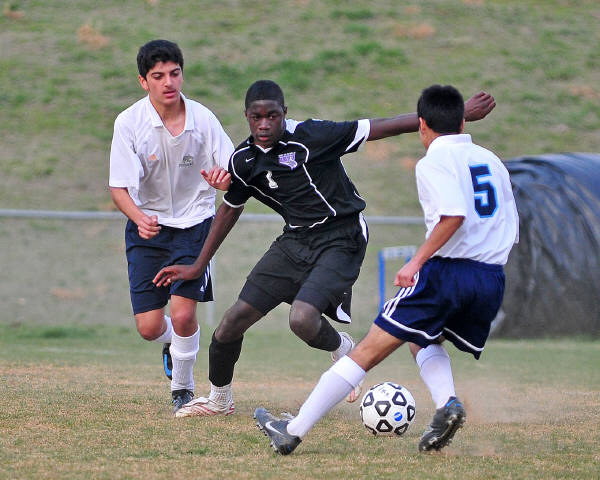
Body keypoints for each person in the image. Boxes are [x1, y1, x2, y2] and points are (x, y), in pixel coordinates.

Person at [153, 80, 496, 418]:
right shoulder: (244, 161)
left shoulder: (312, 136)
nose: (264, 124)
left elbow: (380, 126)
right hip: (295, 241)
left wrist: (455, 115)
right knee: (230, 323)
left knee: (302, 319)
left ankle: (342, 348)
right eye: (256, 117)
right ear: (247, 117)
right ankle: (219, 399)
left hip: (342, 237)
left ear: (284, 113)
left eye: (272, 116)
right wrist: (198, 265)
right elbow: (230, 208)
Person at [254, 84, 519, 455]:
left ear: (422, 124)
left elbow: (453, 216)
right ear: (462, 122)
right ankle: (447, 404)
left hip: (448, 274)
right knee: (421, 338)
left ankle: (291, 431)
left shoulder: (434, 162)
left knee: (365, 352)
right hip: (491, 277)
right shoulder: (491, 160)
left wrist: (417, 261)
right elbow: (510, 226)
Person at [108, 39, 233, 415]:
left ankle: (182, 387)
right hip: (148, 228)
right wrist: (138, 217)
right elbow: (119, 187)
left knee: (182, 315)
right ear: (143, 81)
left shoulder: (203, 120)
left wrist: (223, 179)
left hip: (195, 225)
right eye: (158, 75)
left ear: (182, 74)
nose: (168, 82)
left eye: (174, 73)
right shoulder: (129, 123)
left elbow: (232, 173)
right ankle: (173, 343)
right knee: (149, 327)